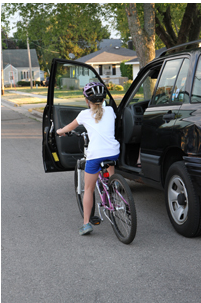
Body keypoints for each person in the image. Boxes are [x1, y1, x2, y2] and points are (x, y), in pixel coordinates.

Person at [56, 82, 120, 236]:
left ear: (87, 100)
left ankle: (86, 224)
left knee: (89, 189)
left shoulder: (84, 115)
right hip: (113, 152)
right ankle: (113, 192)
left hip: (95, 155)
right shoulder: (111, 110)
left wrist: (59, 131)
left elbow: (68, 128)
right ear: (103, 98)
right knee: (109, 176)